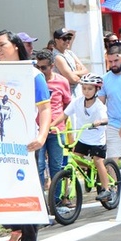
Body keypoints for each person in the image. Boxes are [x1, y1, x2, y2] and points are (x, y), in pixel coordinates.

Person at [0, 30, 52, 241]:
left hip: (25, 142)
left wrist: (42, 136)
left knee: (25, 186)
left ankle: (29, 240)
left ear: (16, 46)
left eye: (2, 45)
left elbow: (45, 108)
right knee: (2, 185)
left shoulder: (33, 75)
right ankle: (15, 227)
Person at [51, 74, 112, 202]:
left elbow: (106, 118)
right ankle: (88, 170)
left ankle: (106, 190)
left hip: (96, 139)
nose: (86, 91)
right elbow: (64, 114)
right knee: (75, 160)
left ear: (97, 89)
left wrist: (100, 122)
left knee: (98, 161)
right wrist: (52, 125)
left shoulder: (99, 105)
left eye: (90, 88)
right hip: (82, 138)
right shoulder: (77, 102)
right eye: (84, 88)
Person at [34, 50, 71, 188]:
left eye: (44, 67)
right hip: (37, 130)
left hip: (56, 130)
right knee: (39, 165)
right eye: (37, 67)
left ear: (52, 66)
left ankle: (57, 198)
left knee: (56, 166)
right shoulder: (34, 80)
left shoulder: (62, 82)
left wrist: (60, 121)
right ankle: (40, 198)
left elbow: (67, 104)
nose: (40, 71)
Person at [99, 44, 121, 166]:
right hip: (113, 125)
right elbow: (100, 104)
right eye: (110, 61)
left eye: (116, 60)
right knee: (111, 162)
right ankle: (113, 180)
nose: (113, 64)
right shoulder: (104, 79)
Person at [52, 28, 89, 94]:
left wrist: (74, 73)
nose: (67, 41)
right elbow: (73, 79)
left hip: (78, 93)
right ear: (56, 40)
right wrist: (79, 73)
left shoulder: (70, 53)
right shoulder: (57, 57)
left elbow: (86, 72)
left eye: (69, 38)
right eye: (64, 38)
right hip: (66, 95)